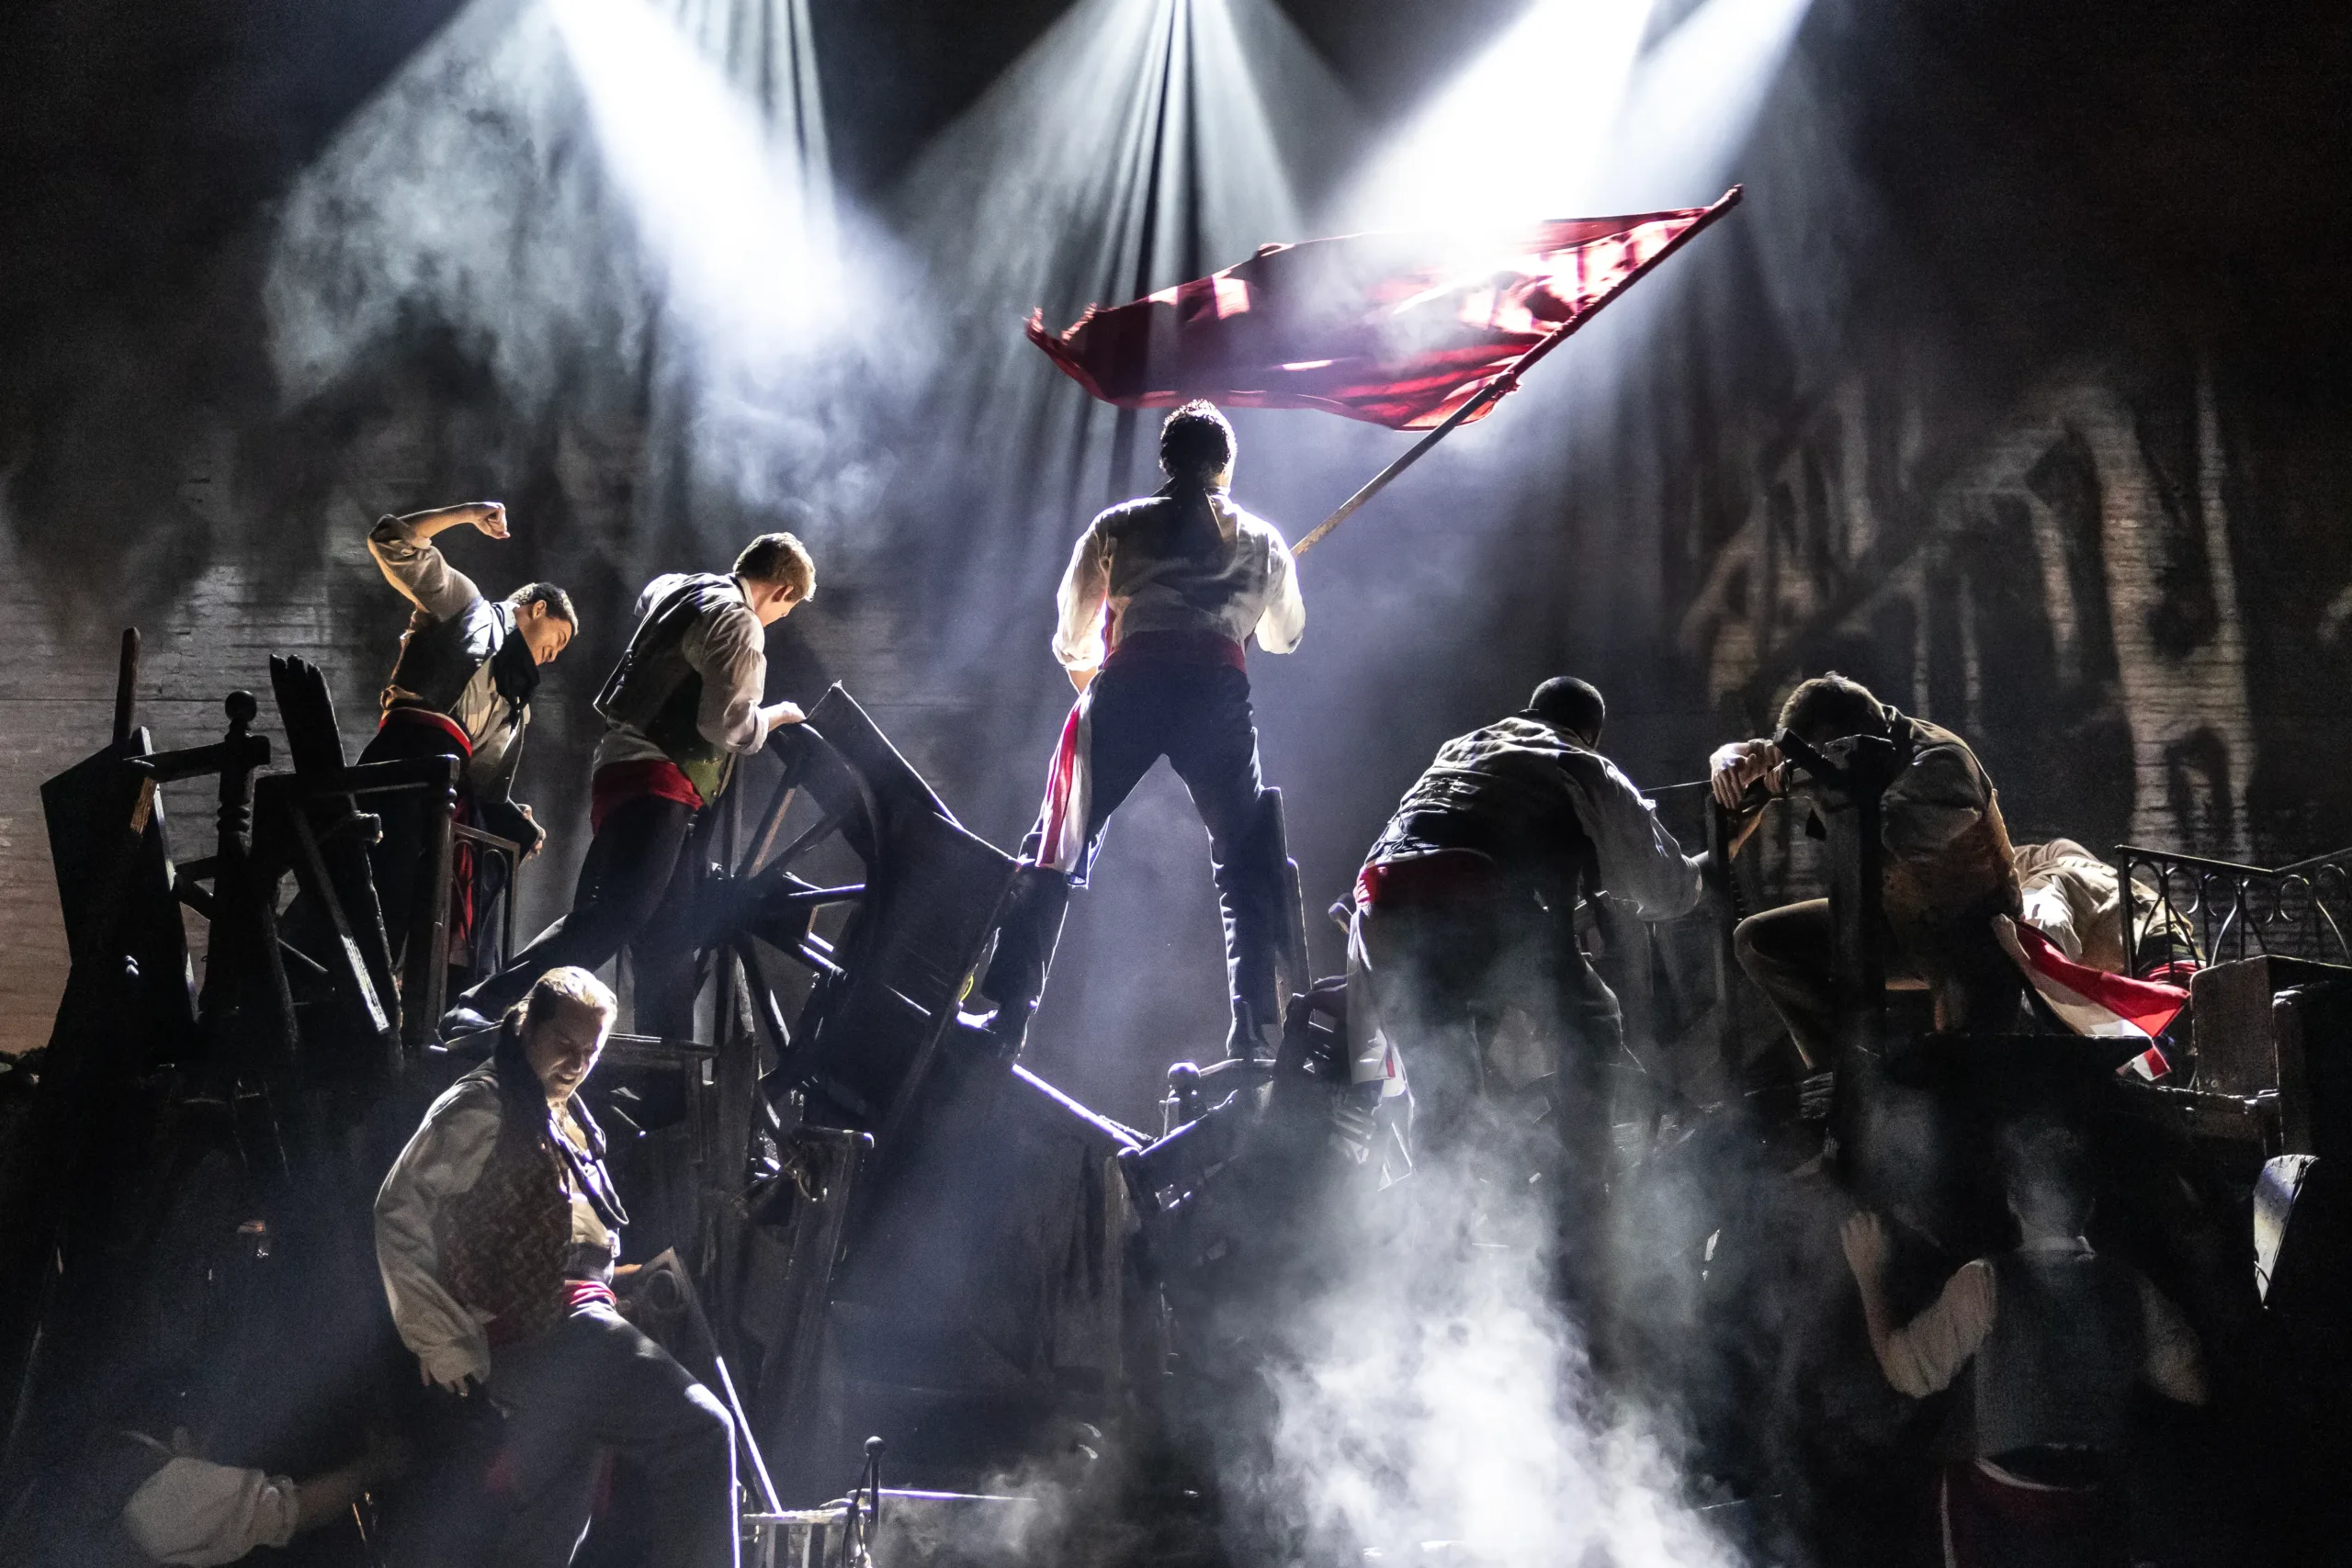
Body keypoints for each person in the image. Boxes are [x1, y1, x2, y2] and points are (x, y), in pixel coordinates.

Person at [1344, 677, 1704, 1300]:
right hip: (1472, 902)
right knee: (1595, 1015)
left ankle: (1435, 1281)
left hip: (1379, 906)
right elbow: (1666, 888)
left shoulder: (1459, 750)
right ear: (1588, 730)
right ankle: (1586, 1202)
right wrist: (1700, 874)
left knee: (1442, 1098)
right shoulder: (1578, 762)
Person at [376, 967, 737, 1568]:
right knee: (701, 1432)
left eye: (590, 1052)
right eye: (564, 1045)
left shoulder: (558, 1111)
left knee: (554, 1521)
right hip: (545, 1331)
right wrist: (439, 1339)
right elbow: (398, 1212)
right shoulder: (481, 1105)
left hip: (569, 1324)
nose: (576, 1062)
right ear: (528, 1026)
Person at [975, 400, 1305, 1057]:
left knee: (1058, 839)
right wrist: (1261, 588)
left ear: (1165, 461)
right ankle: (1253, 1032)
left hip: (1132, 682)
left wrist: (1099, 679)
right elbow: (1284, 636)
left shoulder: (1118, 525)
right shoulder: (1263, 540)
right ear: (1227, 467)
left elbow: (1072, 636)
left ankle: (1011, 1013)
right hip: (1216, 691)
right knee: (1244, 859)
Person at [444, 533, 814, 1037]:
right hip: (658, 782)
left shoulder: (685, 590)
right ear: (782, 592)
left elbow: (650, 594)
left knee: (668, 938)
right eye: (786, 609)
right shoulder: (740, 621)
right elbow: (726, 724)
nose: (779, 619)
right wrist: (776, 716)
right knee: (614, 917)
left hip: (626, 772)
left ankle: (664, 1084)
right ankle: (487, 1003)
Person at [1841, 1124, 2206, 1567]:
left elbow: (1905, 1372)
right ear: (2089, 1206)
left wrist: (1868, 1276)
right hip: (2089, 1509)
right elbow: (2192, 1386)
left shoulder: (1984, 1281)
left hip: (2002, 1515)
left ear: (2013, 1202)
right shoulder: (2132, 1288)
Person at [1710, 673, 2022, 1066]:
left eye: (1822, 757)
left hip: (1969, 940)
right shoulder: (1846, 739)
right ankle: (1843, 1072)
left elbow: (1881, 834)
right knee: (1758, 941)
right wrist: (1727, 759)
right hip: (1894, 923)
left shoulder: (1940, 765)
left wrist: (1804, 779)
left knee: (1959, 1074)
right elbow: (1764, 750)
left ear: (1859, 737)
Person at [362, 501, 576, 969]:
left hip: (448, 789)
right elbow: (392, 540)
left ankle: (438, 1000)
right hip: (405, 759)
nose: (553, 657)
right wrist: (469, 512)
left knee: (466, 889)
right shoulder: (467, 605)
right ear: (536, 608)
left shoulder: (517, 707)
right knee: (377, 889)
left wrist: (517, 824)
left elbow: (483, 785)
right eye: (556, 640)